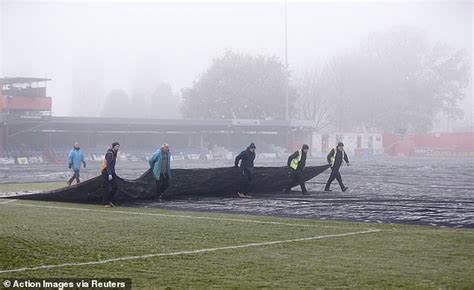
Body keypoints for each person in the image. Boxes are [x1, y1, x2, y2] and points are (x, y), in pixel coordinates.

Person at [101, 142, 120, 207]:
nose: (118, 148)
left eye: (118, 146)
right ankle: (105, 202)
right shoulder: (110, 154)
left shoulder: (115, 153)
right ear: (113, 147)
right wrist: (109, 174)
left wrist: (113, 172)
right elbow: (108, 164)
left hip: (111, 171)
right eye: (116, 146)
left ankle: (109, 200)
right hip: (106, 171)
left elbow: (112, 165)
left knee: (115, 186)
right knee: (105, 187)